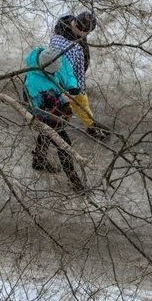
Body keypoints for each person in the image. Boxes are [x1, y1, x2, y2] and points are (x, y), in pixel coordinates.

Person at [23, 47, 84, 192]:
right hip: (44, 114)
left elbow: (67, 71)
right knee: (64, 144)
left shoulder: (54, 58)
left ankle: (39, 160)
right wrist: (60, 99)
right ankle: (73, 180)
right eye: (53, 72)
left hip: (55, 108)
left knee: (45, 134)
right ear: (44, 70)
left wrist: (72, 86)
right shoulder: (33, 82)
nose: (57, 72)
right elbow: (38, 107)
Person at [49, 12, 108, 139]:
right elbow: (65, 70)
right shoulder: (69, 46)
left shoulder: (66, 25)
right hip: (68, 79)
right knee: (78, 100)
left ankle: (90, 125)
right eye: (85, 33)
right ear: (79, 28)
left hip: (70, 75)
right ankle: (89, 126)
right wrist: (75, 86)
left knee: (79, 101)